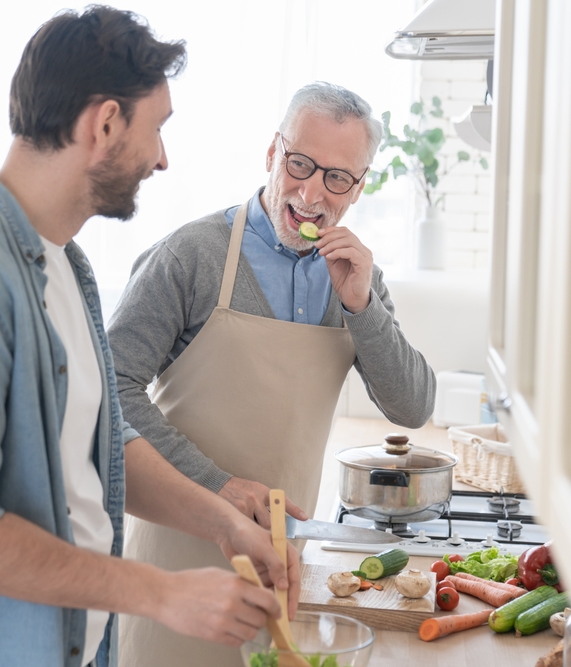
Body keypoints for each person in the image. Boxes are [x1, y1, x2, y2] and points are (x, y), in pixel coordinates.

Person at [0, 8, 298, 667]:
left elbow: (97, 449)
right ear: (105, 123)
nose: (163, 159)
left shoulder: (65, 263)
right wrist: (159, 592)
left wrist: (223, 521)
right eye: (158, 128)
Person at [107, 81, 436, 666]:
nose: (311, 192)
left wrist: (364, 308)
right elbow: (109, 393)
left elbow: (413, 406)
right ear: (271, 155)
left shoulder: (354, 277)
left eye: (338, 177)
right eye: (300, 164)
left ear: (358, 188)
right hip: (176, 558)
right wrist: (218, 486)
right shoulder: (189, 257)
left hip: (284, 569)